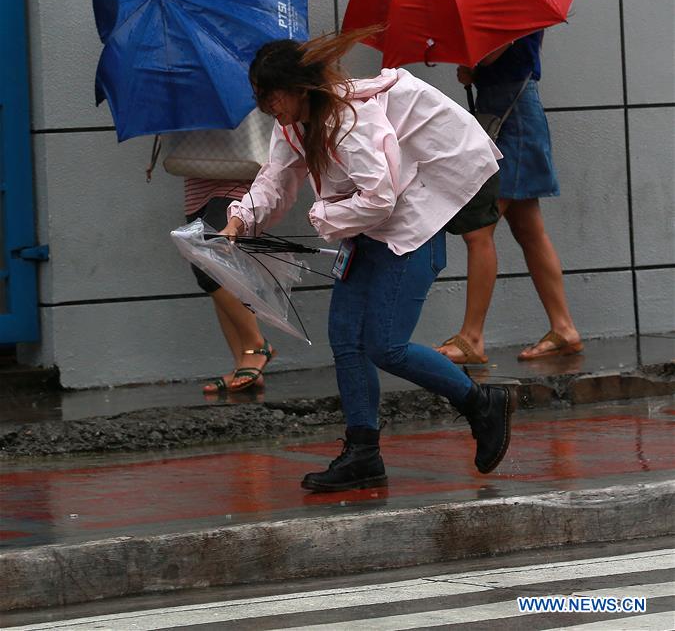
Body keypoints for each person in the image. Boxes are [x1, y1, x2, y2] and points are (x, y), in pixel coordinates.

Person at [220, 28, 515, 492]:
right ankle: (363, 453)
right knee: (346, 340)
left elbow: (380, 197)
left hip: (409, 233)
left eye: (273, 95)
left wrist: (324, 215)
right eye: (262, 98)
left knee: (386, 346)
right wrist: (239, 221)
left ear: (298, 88)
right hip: (364, 236)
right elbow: (275, 178)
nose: (269, 107)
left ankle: (480, 402)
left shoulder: (350, 120)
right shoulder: (293, 126)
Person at [436, 31, 583, 364]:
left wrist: (476, 63)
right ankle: (564, 328)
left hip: (512, 116)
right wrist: (474, 72)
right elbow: (491, 61)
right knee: (529, 230)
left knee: (478, 230)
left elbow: (490, 53)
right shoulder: (505, 1)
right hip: (508, 111)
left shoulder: (509, 5)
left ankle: (472, 337)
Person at [185, 177, 275, 393]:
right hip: (197, 176)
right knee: (220, 273)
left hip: (236, 176)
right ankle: (243, 365)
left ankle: (256, 345)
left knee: (209, 262)